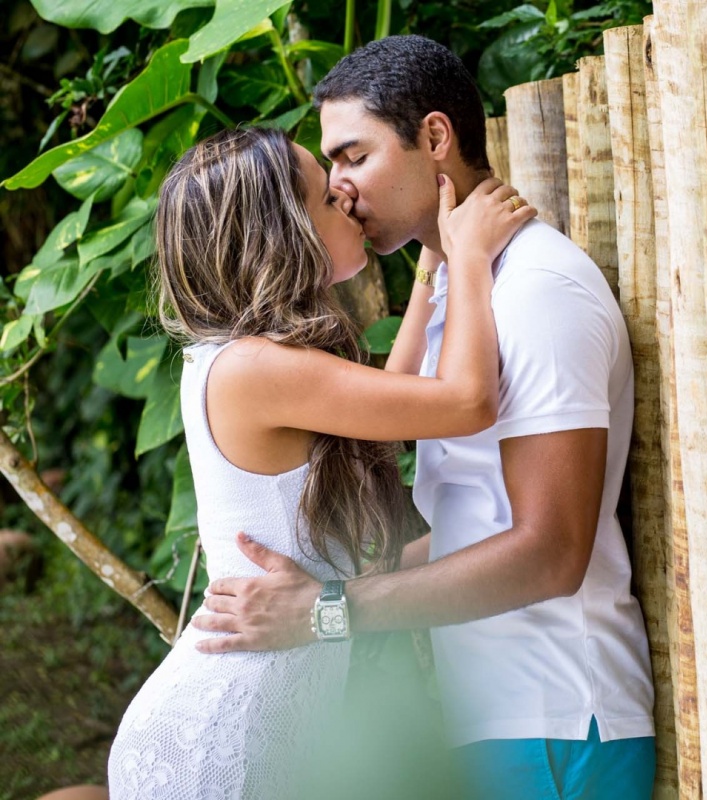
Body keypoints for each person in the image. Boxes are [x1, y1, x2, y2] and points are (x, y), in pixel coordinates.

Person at [191, 35, 657, 800]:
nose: (339, 190)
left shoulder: (535, 291)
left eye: (352, 156)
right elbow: (477, 513)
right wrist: (335, 579)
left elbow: (551, 550)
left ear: (434, 138)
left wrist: (329, 612)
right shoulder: (459, 294)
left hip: (557, 721)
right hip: (497, 720)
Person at [106, 125, 535, 797]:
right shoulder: (253, 368)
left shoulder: (242, 358)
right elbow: (465, 401)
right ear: (282, 235)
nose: (349, 198)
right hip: (226, 736)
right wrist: (472, 259)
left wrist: (435, 263)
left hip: (275, 717)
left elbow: (389, 418)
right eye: (326, 199)